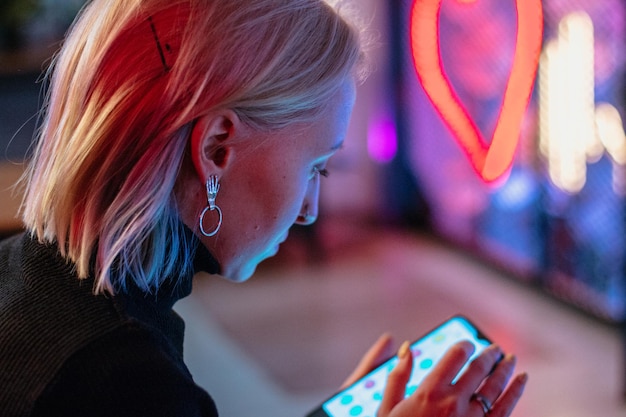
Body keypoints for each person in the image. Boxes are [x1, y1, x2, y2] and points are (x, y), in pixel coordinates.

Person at [0, 0, 527, 416]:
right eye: (316, 167)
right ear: (215, 149)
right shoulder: (119, 376)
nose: (310, 211)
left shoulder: (27, 270)